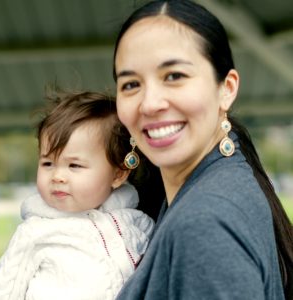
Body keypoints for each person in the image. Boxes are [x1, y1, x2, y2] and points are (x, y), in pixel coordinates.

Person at [112, 0, 293, 299]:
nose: (149, 103)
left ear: (227, 88)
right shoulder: (215, 185)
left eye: (174, 76)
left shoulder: (204, 223)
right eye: (131, 84)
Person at [0, 90, 155, 300]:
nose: (58, 176)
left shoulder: (136, 222)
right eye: (48, 163)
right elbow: (4, 289)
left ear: (118, 174)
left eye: (74, 165)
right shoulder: (35, 232)